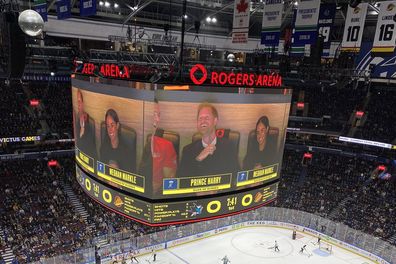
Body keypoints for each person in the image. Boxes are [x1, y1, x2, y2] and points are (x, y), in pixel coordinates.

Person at [178, 103, 239, 177]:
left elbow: (236, 175)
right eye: (200, 118)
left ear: (215, 121)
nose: (203, 121)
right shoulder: (188, 150)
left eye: (207, 118)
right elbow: (182, 180)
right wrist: (198, 159)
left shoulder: (228, 146)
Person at [139, 99, 177, 195]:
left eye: (158, 115)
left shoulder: (167, 146)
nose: (157, 119)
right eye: (154, 114)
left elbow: (169, 182)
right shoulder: (145, 144)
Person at [74, 89, 96, 157]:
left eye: (79, 101)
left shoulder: (87, 127)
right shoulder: (79, 123)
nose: (79, 104)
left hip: (88, 152)